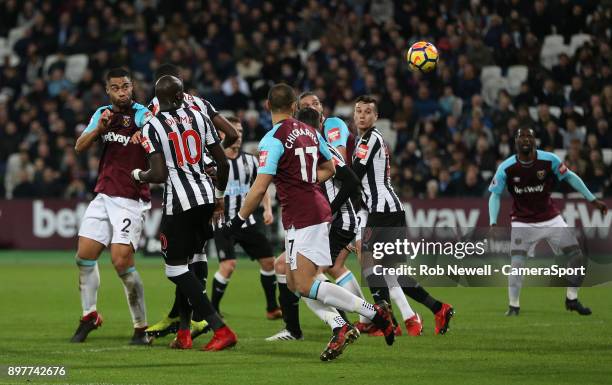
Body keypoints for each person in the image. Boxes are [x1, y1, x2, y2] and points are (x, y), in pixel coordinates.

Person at [225, 83, 395, 361]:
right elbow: (330, 168)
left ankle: (373, 313)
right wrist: (307, 182)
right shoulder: (311, 132)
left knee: (304, 284)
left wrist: (238, 220)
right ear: (294, 106)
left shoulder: (272, 139)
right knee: (293, 281)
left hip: (305, 216)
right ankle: (342, 325)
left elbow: (259, 188)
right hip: (306, 213)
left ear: (267, 106)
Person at [132, 75, 237, 351]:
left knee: (175, 268)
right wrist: (220, 198)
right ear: (180, 95)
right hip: (205, 197)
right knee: (194, 259)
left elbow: (158, 173)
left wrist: (138, 175)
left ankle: (219, 327)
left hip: (179, 204)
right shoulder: (199, 116)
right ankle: (183, 332)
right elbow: (223, 163)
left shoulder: (151, 125)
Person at [351, 95, 455, 335]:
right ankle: (439, 308)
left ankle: (384, 319)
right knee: (392, 273)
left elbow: (355, 174)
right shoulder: (363, 140)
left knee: (368, 263)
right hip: (389, 210)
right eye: (358, 111)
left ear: (376, 117)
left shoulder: (370, 139)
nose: (362, 115)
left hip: (383, 212)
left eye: (368, 111)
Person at [266, 107, 364, 341]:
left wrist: (334, 214)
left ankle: (349, 322)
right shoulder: (310, 149)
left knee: (303, 277)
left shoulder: (323, 150)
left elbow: (352, 181)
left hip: (331, 222)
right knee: (297, 271)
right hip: (326, 222)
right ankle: (352, 321)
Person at [488, 127, 608, 316]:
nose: (526, 140)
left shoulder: (549, 160)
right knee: (517, 263)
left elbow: (569, 177)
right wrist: (493, 222)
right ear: (516, 142)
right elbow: (494, 195)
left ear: (535, 140)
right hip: (522, 222)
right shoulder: (506, 167)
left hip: (550, 218)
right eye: (522, 137)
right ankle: (513, 306)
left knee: (577, 256)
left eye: (529, 136)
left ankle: (572, 299)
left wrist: (592, 199)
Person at [71, 68, 152, 345]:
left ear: (133, 86)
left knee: (121, 261)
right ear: (108, 90)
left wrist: (144, 135)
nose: (122, 92)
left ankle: (141, 329)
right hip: (104, 195)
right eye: (116, 87)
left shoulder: (142, 113)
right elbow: (79, 146)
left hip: (130, 198)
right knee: (84, 256)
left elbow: (155, 131)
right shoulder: (102, 113)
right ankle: (89, 315)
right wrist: (99, 129)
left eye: (126, 86)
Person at [210, 116, 280, 319]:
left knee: (269, 262)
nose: (238, 136)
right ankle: (213, 310)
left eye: (240, 132)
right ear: (221, 135)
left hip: (246, 220)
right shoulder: (213, 161)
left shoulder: (251, 161)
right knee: (228, 266)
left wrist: (267, 209)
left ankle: (271, 308)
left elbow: (262, 186)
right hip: (223, 223)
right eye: (234, 131)